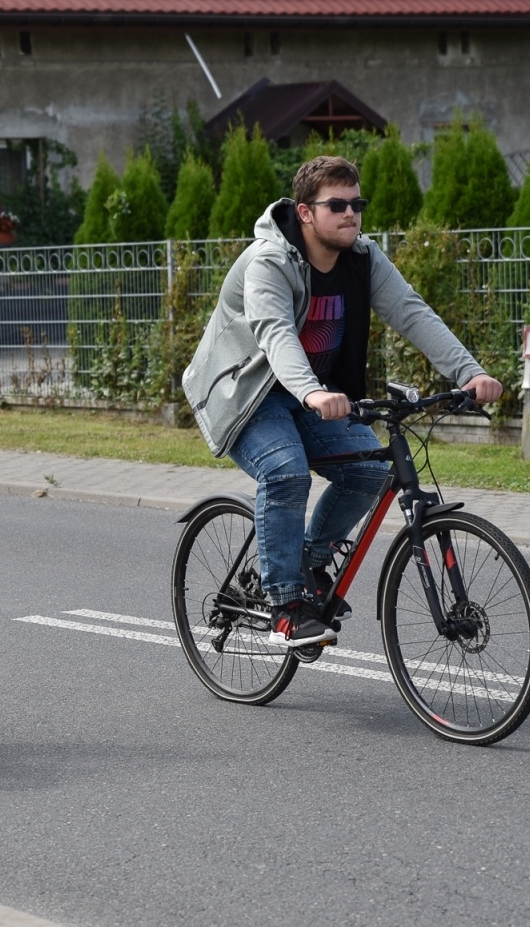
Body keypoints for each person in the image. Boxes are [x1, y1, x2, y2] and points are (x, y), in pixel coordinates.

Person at [182, 155, 502, 649]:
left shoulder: (362, 258)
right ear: (306, 212)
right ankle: (286, 606)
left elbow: (411, 312)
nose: (351, 213)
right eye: (337, 205)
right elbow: (276, 334)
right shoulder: (269, 262)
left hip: (315, 395)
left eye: (357, 203)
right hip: (247, 395)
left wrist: (470, 371)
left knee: (371, 472)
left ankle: (307, 563)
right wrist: (311, 391)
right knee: (286, 471)